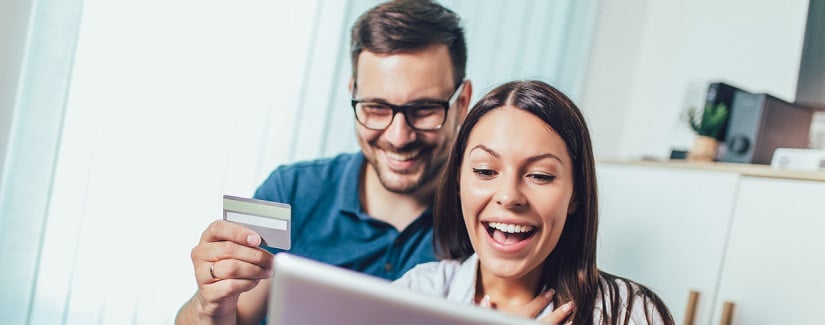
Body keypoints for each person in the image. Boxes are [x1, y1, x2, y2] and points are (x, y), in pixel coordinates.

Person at [176, 1, 475, 324]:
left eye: (424, 109)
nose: (399, 136)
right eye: (376, 107)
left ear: (462, 103)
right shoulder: (288, 190)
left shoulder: (488, 220)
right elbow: (224, 315)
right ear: (353, 92)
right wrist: (208, 305)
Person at [393, 80, 675, 325]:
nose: (509, 196)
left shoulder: (628, 313)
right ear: (458, 182)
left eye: (539, 176)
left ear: (576, 194)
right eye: (485, 171)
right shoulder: (415, 294)